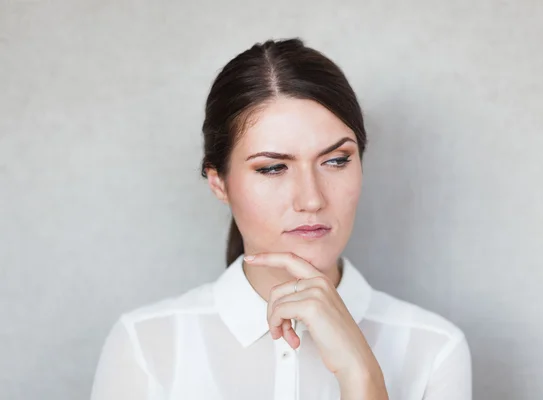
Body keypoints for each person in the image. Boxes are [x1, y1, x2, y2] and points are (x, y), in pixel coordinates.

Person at [90, 37, 472, 400]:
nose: (311, 199)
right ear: (219, 182)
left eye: (336, 161)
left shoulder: (432, 348)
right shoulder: (147, 345)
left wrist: (362, 377)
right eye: (273, 168)